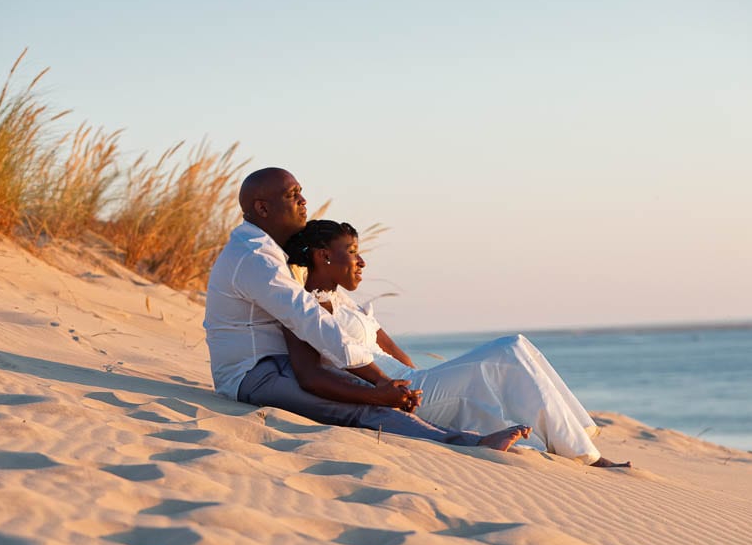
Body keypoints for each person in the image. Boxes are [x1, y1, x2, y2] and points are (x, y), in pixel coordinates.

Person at [203, 167, 531, 451]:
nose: (303, 201)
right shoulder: (254, 258)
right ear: (262, 207)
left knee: (363, 395)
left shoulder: (270, 254)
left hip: (279, 366)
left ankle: (467, 438)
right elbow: (309, 319)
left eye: (301, 192)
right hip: (252, 376)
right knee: (357, 407)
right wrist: (379, 382)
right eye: (292, 195)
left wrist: (379, 383)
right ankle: (468, 444)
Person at [282, 219, 630, 468]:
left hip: (412, 388)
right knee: (509, 349)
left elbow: (396, 355)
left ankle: (575, 442)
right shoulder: (303, 308)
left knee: (518, 347)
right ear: (322, 256)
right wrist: (385, 393)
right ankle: (584, 455)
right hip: (388, 394)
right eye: (352, 252)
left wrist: (426, 383)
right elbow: (309, 375)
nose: (362, 262)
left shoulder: (347, 304)